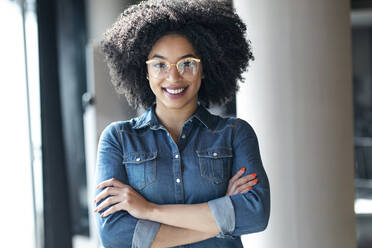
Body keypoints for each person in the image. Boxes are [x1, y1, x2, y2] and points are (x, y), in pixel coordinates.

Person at [93, 0, 270, 247]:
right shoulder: (118, 139)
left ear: (204, 68)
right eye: (159, 64)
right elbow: (115, 235)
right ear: (144, 71)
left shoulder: (235, 134)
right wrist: (222, 221)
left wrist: (149, 210)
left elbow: (255, 214)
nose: (174, 76)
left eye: (187, 63)